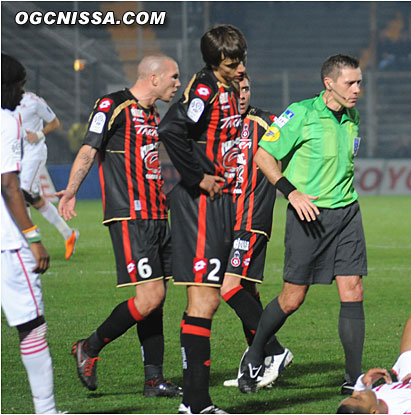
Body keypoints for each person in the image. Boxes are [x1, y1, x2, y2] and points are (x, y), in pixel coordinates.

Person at [238, 54, 367, 396]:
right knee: (293, 298)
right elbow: (263, 155)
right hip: (308, 217)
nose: (357, 89)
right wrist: (290, 193)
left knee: (353, 289)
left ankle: (353, 378)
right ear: (329, 83)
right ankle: (255, 353)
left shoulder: (352, 115)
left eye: (359, 82)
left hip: (347, 213)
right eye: (350, 83)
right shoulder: (301, 113)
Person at [56, 55, 182, 398]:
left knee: (157, 299)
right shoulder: (112, 104)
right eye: (173, 77)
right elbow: (88, 149)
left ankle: (154, 380)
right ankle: (89, 346)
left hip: (157, 214)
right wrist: (71, 191)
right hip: (130, 215)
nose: (177, 83)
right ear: (153, 78)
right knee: (149, 296)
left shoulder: (151, 114)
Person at [158, 24, 247, 415]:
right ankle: (194, 404)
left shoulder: (226, 86)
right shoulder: (206, 89)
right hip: (199, 206)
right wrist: (198, 177)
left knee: (208, 299)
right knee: (203, 300)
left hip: (220, 204)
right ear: (214, 63)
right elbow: (170, 128)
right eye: (231, 63)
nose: (239, 68)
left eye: (241, 59)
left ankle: (196, 403)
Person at [220, 73, 293, 389]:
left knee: (228, 288)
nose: (242, 94)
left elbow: (292, 151)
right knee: (247, 292)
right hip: (224, 220)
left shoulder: (267, 122)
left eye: (247, 88)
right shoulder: (217, 126)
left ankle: (275, 352)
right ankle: (260, 358)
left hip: (251, 218)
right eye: (236, 89)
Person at [1, 53, 57, 414]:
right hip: (8, 243)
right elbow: (8, 184)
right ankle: (46, 410)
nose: (22, 95)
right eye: (18, 86)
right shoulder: (7, 122)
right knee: (32, 326)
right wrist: (34, 238)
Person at [12, 91, 79, 259]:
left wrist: (39, 134)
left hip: (34, 153)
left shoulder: (33, 101)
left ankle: (27, 244)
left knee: (22, 194)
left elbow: (55, 123)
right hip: (15, 155)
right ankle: (68, 234)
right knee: (33, 199)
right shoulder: (6, 102)